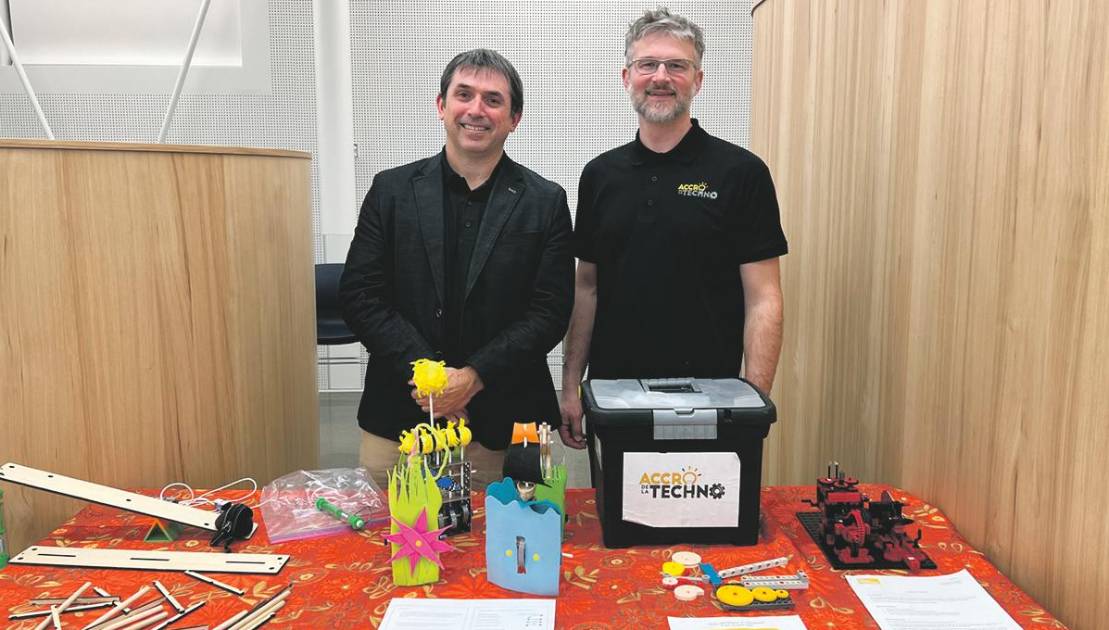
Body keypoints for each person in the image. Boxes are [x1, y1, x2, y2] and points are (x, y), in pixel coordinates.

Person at [340, 49, 574, 484]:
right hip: (399, 415)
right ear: (441, 106)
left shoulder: (546, 202)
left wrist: (474, 377)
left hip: (505, 422)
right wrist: (431, 378)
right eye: (463, 94)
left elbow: (550, 312)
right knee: (390, 546)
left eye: (493, 99)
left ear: (514, 118)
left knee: (505, 548)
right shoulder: (391, 191)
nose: (476, 110)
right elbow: (360, 294)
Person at [559, 9, 788, 449]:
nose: (660, 76)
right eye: (648, 64)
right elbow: (586, 288)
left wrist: (753, 401)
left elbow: (764, 297)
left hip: (711, 404)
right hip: (615, 401)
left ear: (697, 80)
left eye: (676, 65)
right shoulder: (600, 176)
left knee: (706, 518)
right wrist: (571, 385)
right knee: (619, 518)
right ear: (627, 76)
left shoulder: (741, 173)